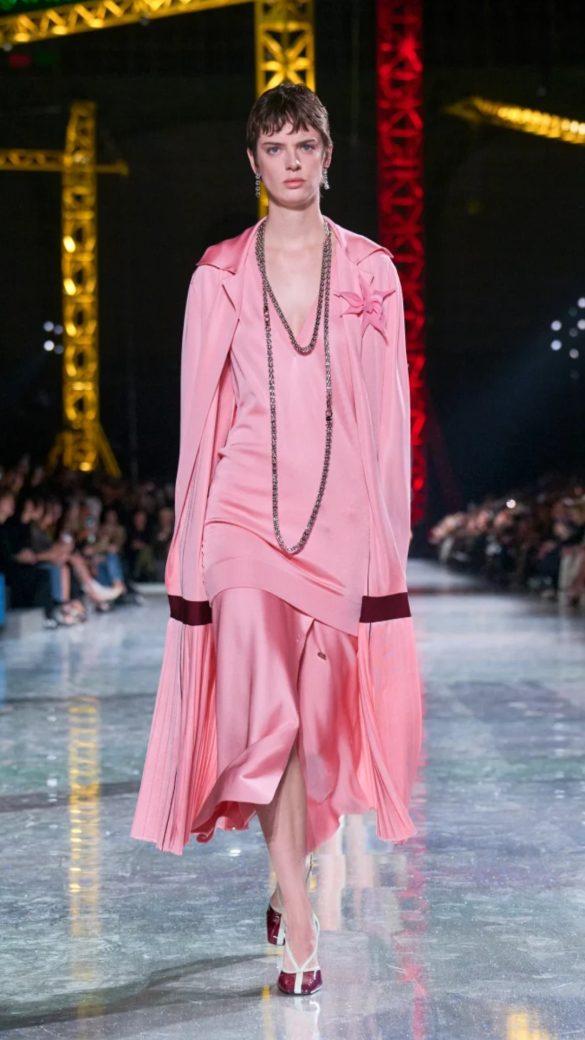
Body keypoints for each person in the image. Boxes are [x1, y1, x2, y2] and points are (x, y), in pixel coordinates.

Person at [131, 83, 423, 996]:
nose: (290, 163)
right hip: (242, 518)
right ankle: (301, 921)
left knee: (318, 726)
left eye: (304, 146)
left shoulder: (371, 271)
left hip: (337, 519)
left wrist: (386, 539)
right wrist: (190, 544)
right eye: (274, 148)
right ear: (252, 163)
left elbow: (388, 419)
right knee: (271, 718)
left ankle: (287, 865)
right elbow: (200, 418)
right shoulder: (218, 273)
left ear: (327, 157)